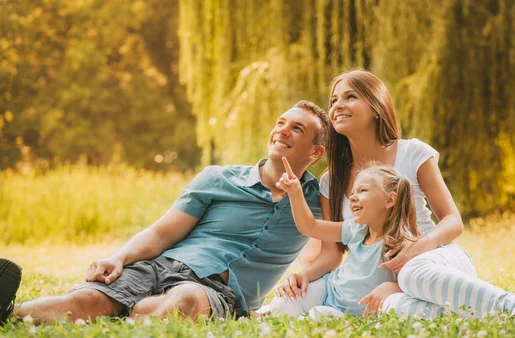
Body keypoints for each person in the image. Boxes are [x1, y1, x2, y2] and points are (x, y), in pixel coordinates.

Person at [0, 101, 328, 325]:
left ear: (316, 152)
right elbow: (161, 233)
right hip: (161, 267)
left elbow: (347, 228)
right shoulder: (219, 178)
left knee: (185, 301)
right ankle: (10, 311)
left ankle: (121, 310)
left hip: (216, 291)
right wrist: (119, 258)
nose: (282, 130)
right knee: (89, 299)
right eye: (280, 123)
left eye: (297, 129)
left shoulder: (319, 199)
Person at [273, 70, 515, 319]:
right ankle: (448, 309)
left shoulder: (412, 153)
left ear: (376, 107)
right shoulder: (332, 181)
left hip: (433, 261)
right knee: (297, 300)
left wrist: (421, 245)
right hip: (379, 278)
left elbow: (452, 221)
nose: (338, 106)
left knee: (411, 275)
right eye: (334, 100)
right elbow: (331, 255)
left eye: (350, 97)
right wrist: (302, 276)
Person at [271, 161, 418, 319]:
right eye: (353, 192)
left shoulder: (403, 245)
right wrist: (295, 193)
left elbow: (417, 285)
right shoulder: (356, 228)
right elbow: (310, 226)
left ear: (389, 200)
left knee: (316, 316)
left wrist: (393, 287)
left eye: (362, 190)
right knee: (281, 304)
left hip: (353, 314)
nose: (353, 197)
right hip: (330, 289)